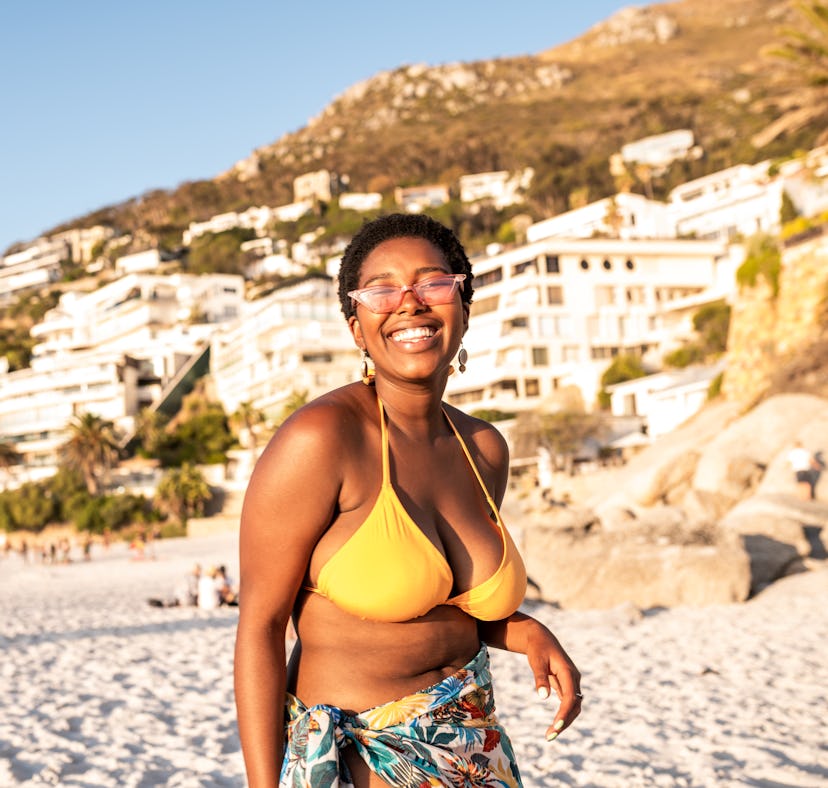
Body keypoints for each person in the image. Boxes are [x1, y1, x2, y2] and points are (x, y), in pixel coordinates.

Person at [234, 213, 582, 787]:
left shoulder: (484, 449)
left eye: (433, 283)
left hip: (475, 744)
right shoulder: (321, 440)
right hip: (365, 754)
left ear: (464, 306)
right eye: (383, 289)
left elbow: (450, 605)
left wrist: (524, 630)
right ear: (356, 327)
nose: (410, 303)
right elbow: (262, 627)